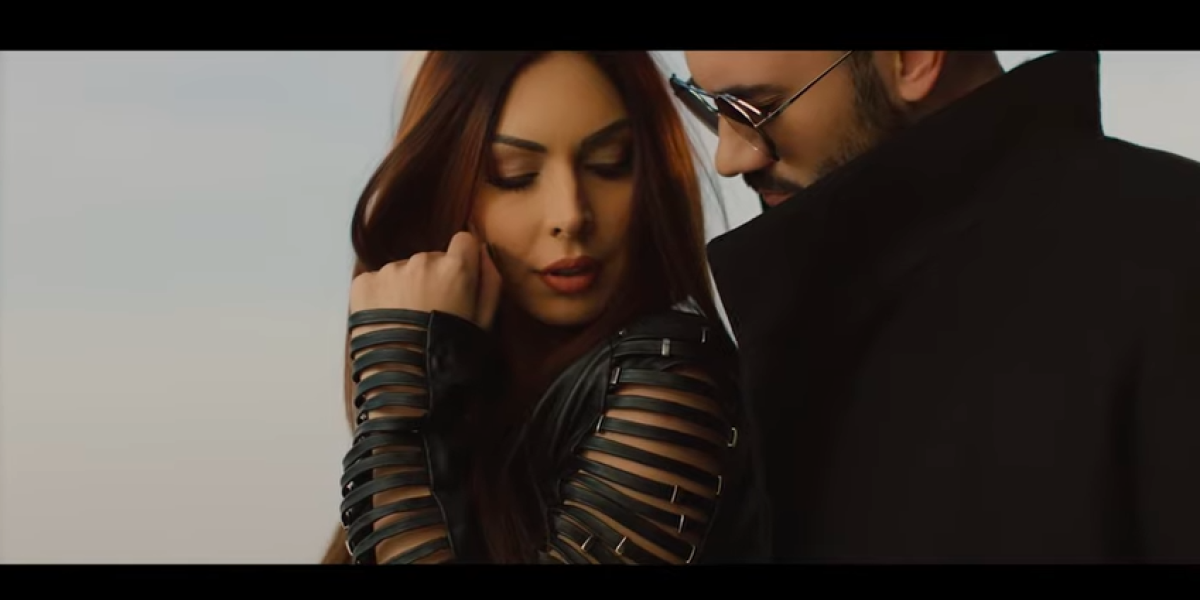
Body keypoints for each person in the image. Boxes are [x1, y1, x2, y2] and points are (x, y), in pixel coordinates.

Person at [672, 50, 1200, 562]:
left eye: (754, 109)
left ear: (916, 59)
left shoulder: (1173, 258)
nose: (729, 158)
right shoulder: (796, 319)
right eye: (705, 105)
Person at [320, 51, 768, 565]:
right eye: (514, 175)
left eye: (609, 163)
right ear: (440, 184)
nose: (570, 214)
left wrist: (397, 373)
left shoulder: (669, 376)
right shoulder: (475, 401)